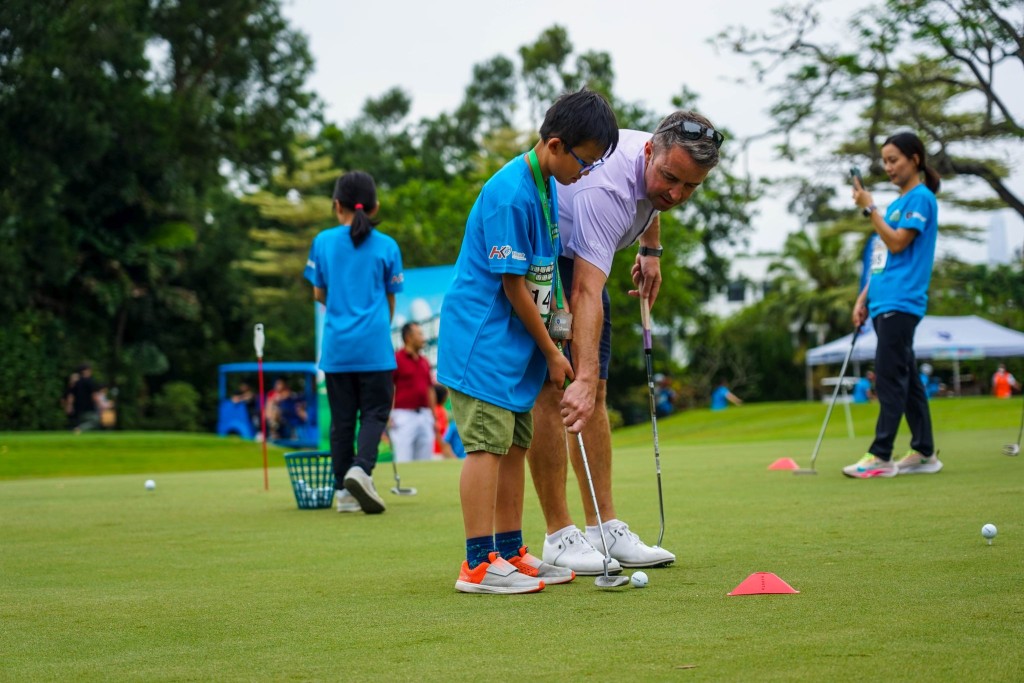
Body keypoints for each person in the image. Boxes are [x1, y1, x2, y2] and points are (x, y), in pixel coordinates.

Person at [438, 88, 619, 594]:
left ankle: (510, 551)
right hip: (482, 342)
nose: (587, 172)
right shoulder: (510, 194)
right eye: (585, 161)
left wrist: (562, 345)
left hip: (513, 346)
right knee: (485, 448)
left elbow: (548, 279)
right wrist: (550, 351)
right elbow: (513, 285)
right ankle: (477, 565)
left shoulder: (547, 188)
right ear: (557, 145)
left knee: (515, 445)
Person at [527, 110, 723, 575]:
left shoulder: (658, 164)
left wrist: (651, 251)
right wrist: (585, 373)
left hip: (585, 263)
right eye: (671, 179)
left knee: (596, 393)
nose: (677, 194)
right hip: (550, 262)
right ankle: (559, 534)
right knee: (557, 391)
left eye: (691, 187)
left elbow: (655, 200)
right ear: (650, 152)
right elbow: (585, 291)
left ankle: (602, 527)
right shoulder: (606, 192)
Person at [304, 170, 404, 513]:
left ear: (337, 205)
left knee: (343, 419)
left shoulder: (323, 241)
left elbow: (320, 293)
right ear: (374, 206)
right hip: (375, 347)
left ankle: (342, 492)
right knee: (375, 413)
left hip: (337, 348)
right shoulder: (387, 245)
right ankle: (362, 469)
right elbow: (391, 301)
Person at [845, 131, 942, 478]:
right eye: (884, 161)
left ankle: (881, 455)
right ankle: (925, 451)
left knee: (888, 376)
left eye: (894, 160)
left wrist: (870, 208)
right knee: (909, 377)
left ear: (915, 159)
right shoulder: (898, 204)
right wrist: (863, 298)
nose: (888, 167)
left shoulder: (921, 199)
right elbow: (885, 259)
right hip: (883, 299)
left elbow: (899, 243)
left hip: (902, 301)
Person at [390, 322, 436, 462]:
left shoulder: (424, 361)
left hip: (425, 415)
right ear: (409, 337)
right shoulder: (397, 358)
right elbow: (390, 387)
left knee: (425, 460)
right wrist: (388, 415)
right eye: (419, 334)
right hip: (403, 416)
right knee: (403, 458)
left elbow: (430, 389)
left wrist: (434, 417)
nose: (423, 338)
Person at [69, 363, 103, 432]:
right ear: (86, 371)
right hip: (88, 407)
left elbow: (71, 395)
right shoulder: (90, 382)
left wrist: (70, 406)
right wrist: (100, 404)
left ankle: (79, 430)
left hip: (78, 408)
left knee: (83, 421)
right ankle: (79, 429)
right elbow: (94, 395)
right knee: (95, 421)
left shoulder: (76, 383)